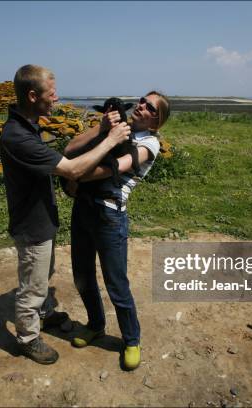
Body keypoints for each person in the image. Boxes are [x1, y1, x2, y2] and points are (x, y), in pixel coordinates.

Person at [0, 64, 131, 365]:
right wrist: (111, 141)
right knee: (32, 284)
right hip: (31, 223)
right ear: (32, 96)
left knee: (42, 275)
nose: (56, 98)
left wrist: (102, 128)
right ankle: (28, 338)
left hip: (41, 217)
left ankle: (43, 314)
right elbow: (72, 168)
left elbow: (65, 153)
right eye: (52, 93)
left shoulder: (28, 122)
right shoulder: (17, 135)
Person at [64, 91, 171, 370]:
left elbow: (113, 169)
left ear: (156, 121)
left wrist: (72, 172)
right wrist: (101, 128)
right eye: (141, 101)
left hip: (110, 215)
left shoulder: (149, 143)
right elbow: (71, 148)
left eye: (150, 107)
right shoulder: (113, 128)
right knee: (82, 275)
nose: (141, 106)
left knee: (116, 284)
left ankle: (132, 340)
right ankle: (96, 324)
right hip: (83, 209)